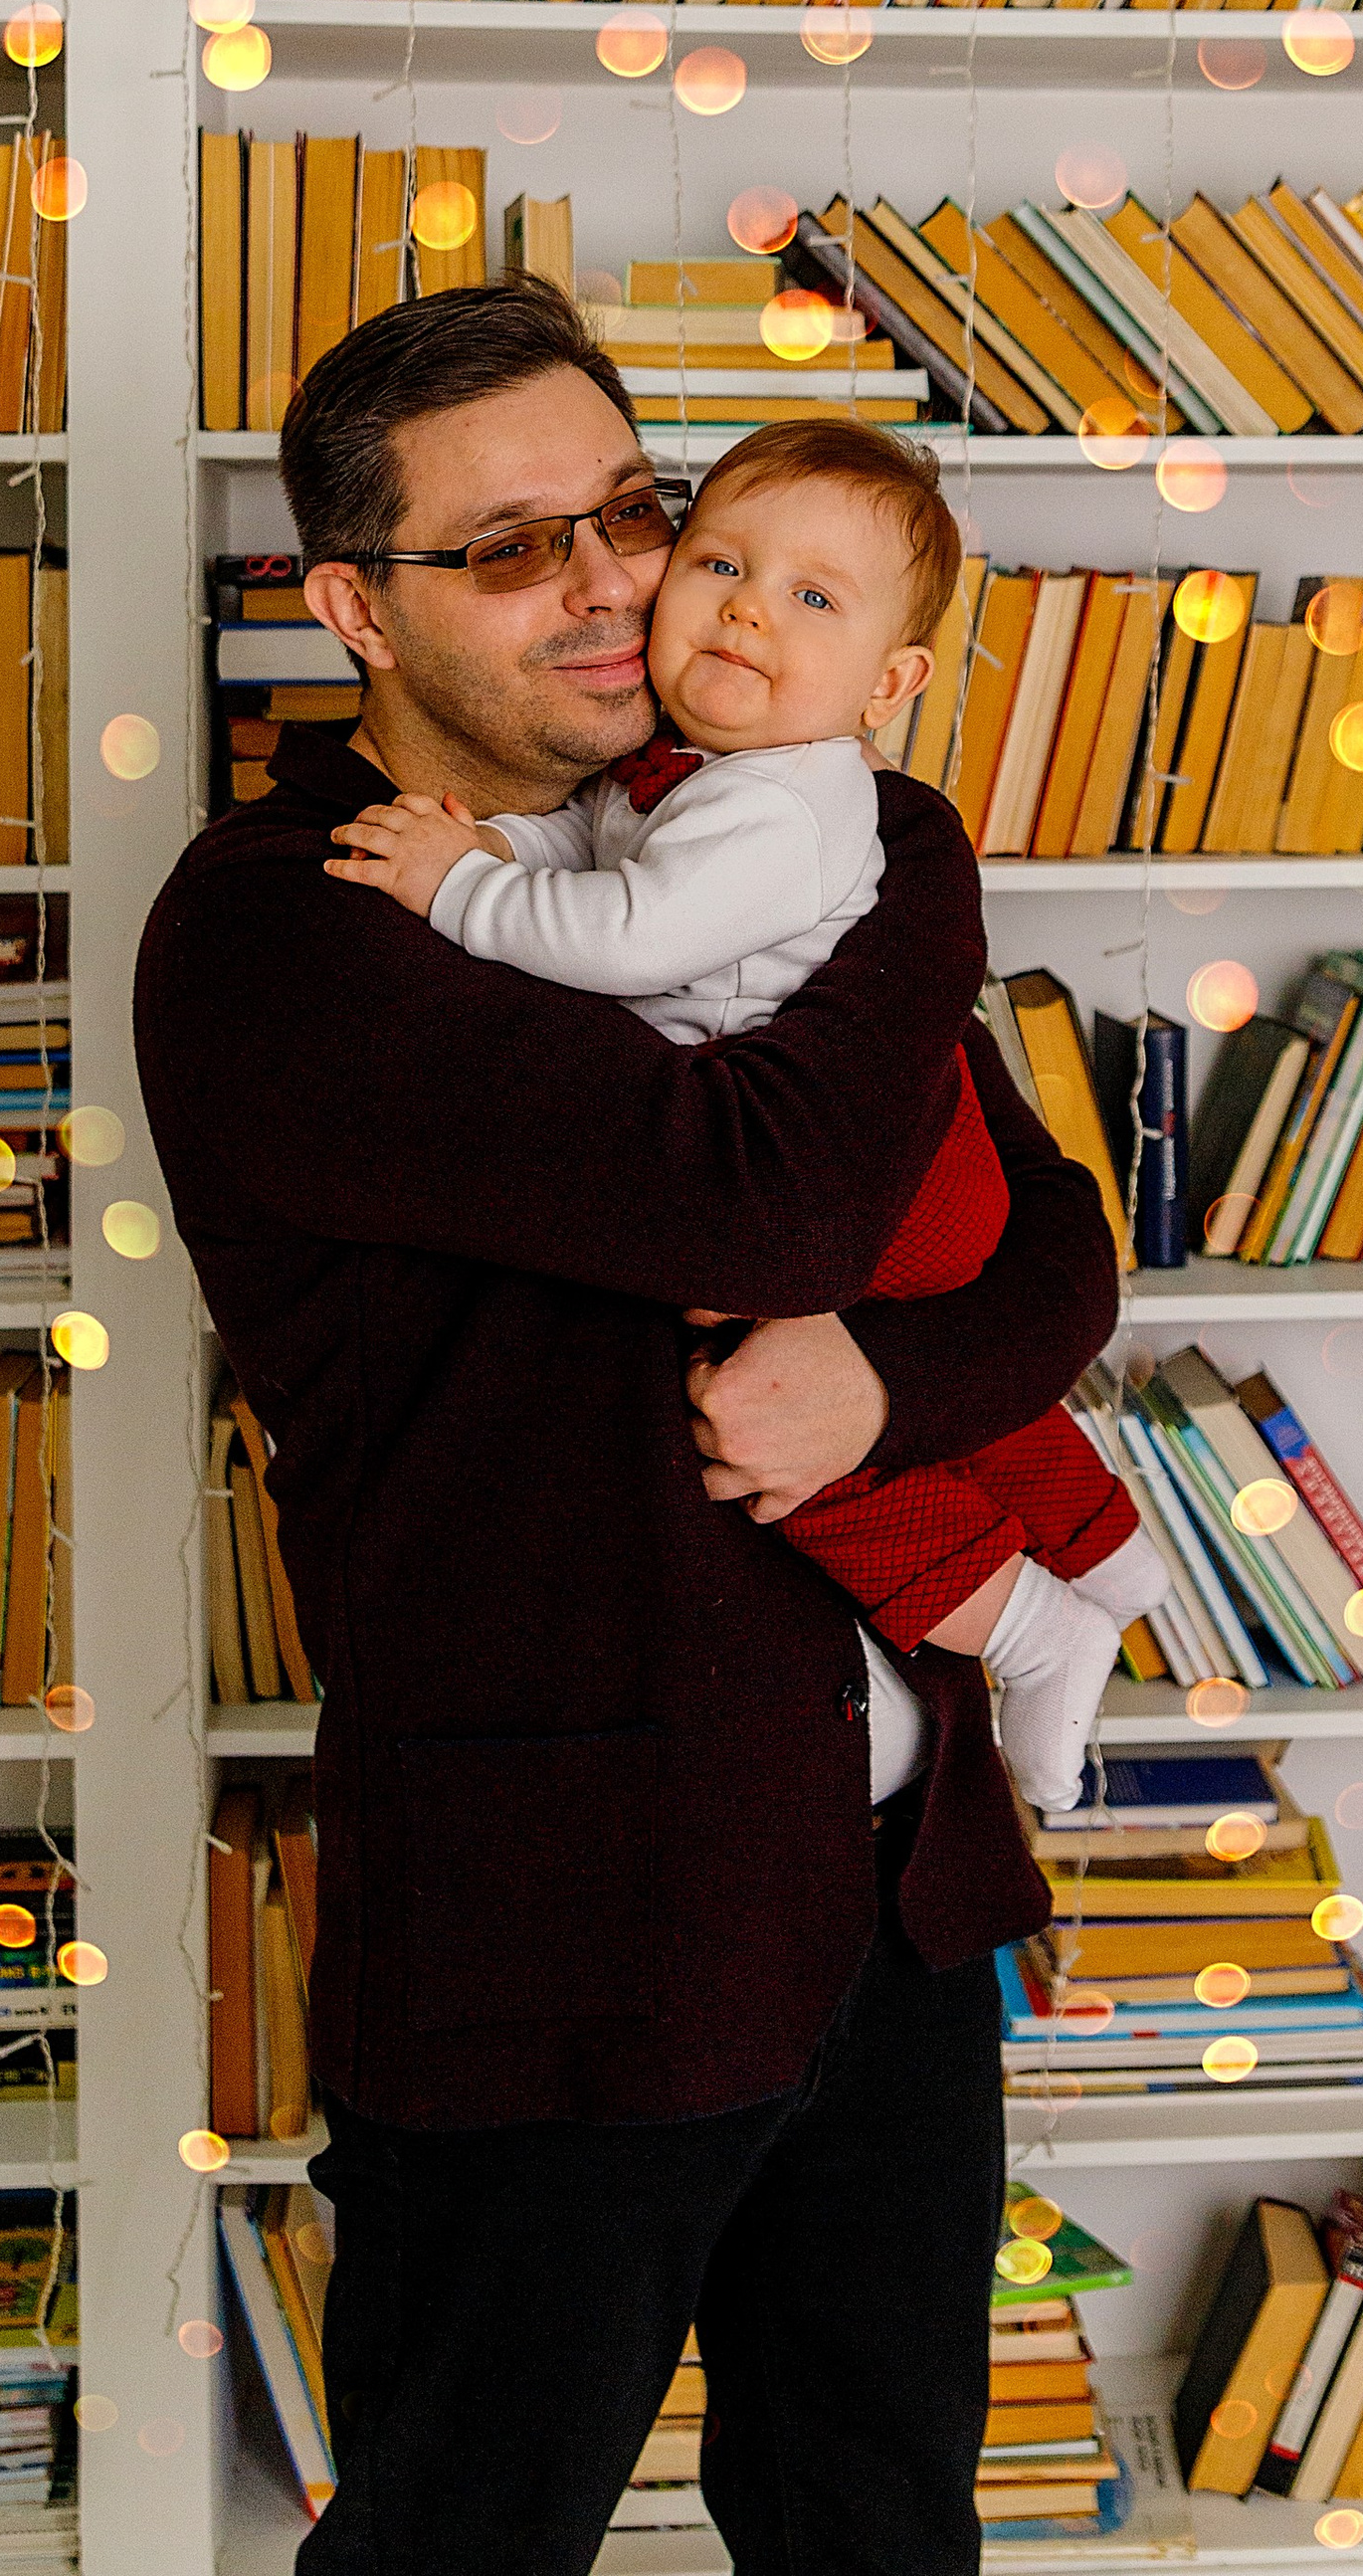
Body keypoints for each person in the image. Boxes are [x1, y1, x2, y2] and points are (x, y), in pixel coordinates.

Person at [131, 277, 1120, 2576]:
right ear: (349, 605)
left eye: (633, 512)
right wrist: (916, 850)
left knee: (878, 2530)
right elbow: (780, 1180)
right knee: (464, 2542)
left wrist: (880, 1374)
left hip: (889, 1892)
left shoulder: (742, 850)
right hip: (560, 1922)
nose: (611, 584)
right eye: (510, 545)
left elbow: (1053, 1245)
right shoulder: (296, 931)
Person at [322, 414, 1167, 1813]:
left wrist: (457, 887)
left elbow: (631, 941)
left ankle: (1029, 1622)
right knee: (835, 1392)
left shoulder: (788, 809)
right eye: (719, 560)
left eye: (632, 520)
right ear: (360, 604)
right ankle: (1107, 1553)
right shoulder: (720, 789)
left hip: (887, 1192)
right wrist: (482, 843)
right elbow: (590, 849)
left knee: (762, 1428)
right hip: (682, 1787)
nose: (719, 607)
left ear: (891, 679)